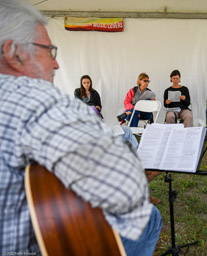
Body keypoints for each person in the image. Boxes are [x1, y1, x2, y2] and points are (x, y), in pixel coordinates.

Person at [0, 0, 161, 255]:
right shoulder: (37, 98)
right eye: (48, 51)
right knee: (150, 217)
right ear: (14, 53)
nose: (56, 64)